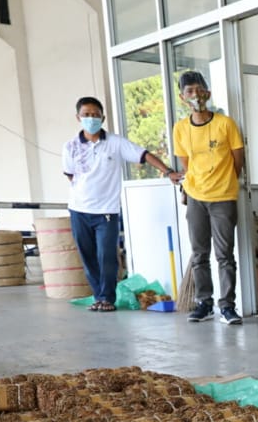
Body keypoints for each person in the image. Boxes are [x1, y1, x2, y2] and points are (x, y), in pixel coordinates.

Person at [62, 96, 181, 312]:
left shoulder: (115, 143)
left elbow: (143, 155)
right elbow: (70, 175)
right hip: (79, 210)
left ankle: (107, 298)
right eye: (86, 115)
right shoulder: (69, 146)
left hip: (106, 211)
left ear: (103, 117)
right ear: (78, 117)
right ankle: (98, 296)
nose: (91, 118)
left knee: (106, 256)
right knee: (87, 257)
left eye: (95, 115)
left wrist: (168, 171)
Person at [173, 71, 246, 326]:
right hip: (195, 197)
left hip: (223, 197)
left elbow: (238, 160)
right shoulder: (181, 128)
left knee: (224, 254)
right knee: (199, 253)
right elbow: (187, 163)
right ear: (182, 98)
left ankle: (227, 305)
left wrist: (225, 181)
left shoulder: (225, 124)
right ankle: (204, 302)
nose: (195, 96)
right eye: (189, 92)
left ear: (208, 93)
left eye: (198, 90)